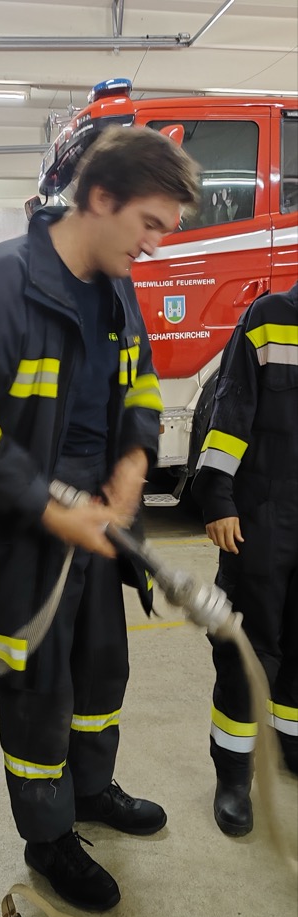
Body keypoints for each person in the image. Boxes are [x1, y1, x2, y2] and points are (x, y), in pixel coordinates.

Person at [0, 126, 200, 911]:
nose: (153, 244)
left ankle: (90, 790)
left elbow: (140, 382)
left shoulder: (114, 285)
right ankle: (48, 838)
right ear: (100, 198)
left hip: (101, 529)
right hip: (21, 537)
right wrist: (52, 507)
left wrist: (134, 461)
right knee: (39, 693)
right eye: (149, 223)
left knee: (100, 671)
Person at [192, 282, 298, 837]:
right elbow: (230, 407)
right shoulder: (269, 317)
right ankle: (234, 775)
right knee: (247, 650)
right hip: (263, 516)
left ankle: (291, 745)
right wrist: (217, 496)